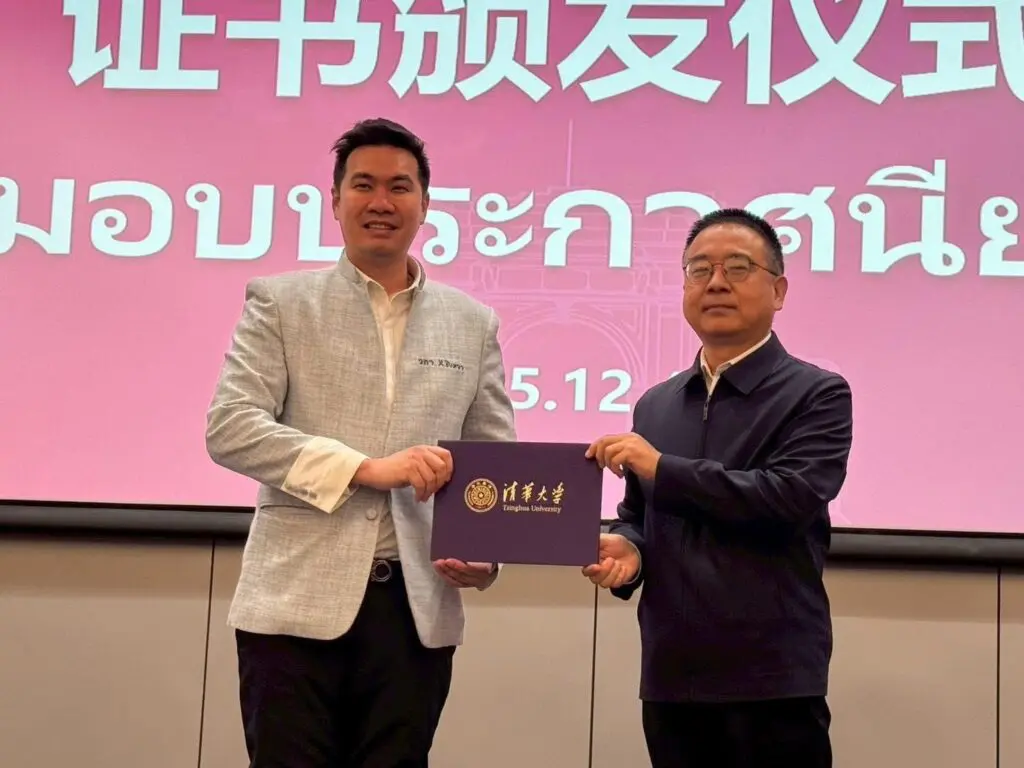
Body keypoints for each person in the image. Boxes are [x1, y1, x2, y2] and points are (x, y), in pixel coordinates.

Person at [205, 117, 516, 768]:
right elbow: (231, 427)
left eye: (399, 187)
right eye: (363, 185)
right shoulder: (281, 302)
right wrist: (364, 468)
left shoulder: (472, 322)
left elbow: (493, 459)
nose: (381, 201)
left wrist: (486, 557)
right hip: (293, 605)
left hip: (415, 612)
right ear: (335, 200)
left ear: (425, 205)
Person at [582, 208, 853, 768]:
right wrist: (629, 549)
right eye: (699, 269)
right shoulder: (656, 404)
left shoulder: (818, 394)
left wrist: (663, 468)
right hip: (671, 675)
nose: (716, 283)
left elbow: (788, 498)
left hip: (771, 678)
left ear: (779, 291)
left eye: (738, 267)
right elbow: (639, 514)